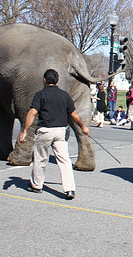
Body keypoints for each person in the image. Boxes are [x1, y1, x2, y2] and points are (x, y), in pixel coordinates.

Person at [19, 69, 90, 200]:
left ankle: (37, 185)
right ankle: (70, 189)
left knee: (40, 158)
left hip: (45, 130)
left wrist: (24, 131)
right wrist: (83, 126)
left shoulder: (40, 95)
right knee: (64, 160)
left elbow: (32, 113)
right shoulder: (65, 95)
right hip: (61, 132)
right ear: (57, 80)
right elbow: (73, 114)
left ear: (44, 80)